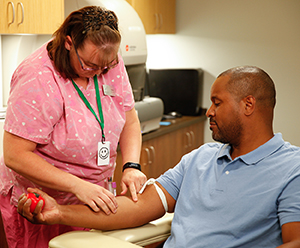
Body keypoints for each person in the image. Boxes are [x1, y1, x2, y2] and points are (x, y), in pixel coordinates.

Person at [18, 66, 300, 247]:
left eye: (217, 103)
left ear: (248, 105)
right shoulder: (200, 158)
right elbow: (137, 207)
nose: (209, 112)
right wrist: (59, 213)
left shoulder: (292, 169)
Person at [0, 5, 147, 248]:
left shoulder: (107, 61)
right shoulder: (38, 77)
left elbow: (129, 118)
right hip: (45, 201)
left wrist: (131, 166)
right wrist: (78, 186)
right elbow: (15, 155)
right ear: (69, 43)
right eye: (89, 65)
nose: (98, 72)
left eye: (106, 66)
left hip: (93, 195)